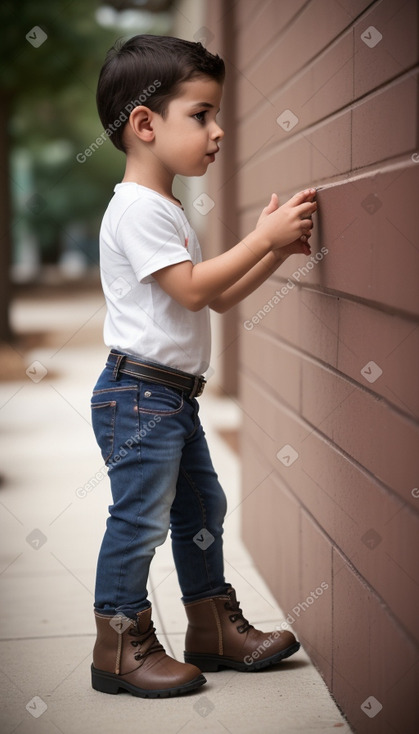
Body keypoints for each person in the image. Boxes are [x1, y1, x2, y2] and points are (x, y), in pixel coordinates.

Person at [90, 34, 317, 699]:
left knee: (201, 508)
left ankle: (212, 628)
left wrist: (273, 253)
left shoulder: (162, 208)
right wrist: (259, 237)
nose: (217, 132)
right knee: (139, 520)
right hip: (138, 397)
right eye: (202, 115)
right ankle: (119, 646)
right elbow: (191, 289)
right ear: (144, 123)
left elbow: (212, 295)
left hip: (169, 399)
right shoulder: (136, 208)